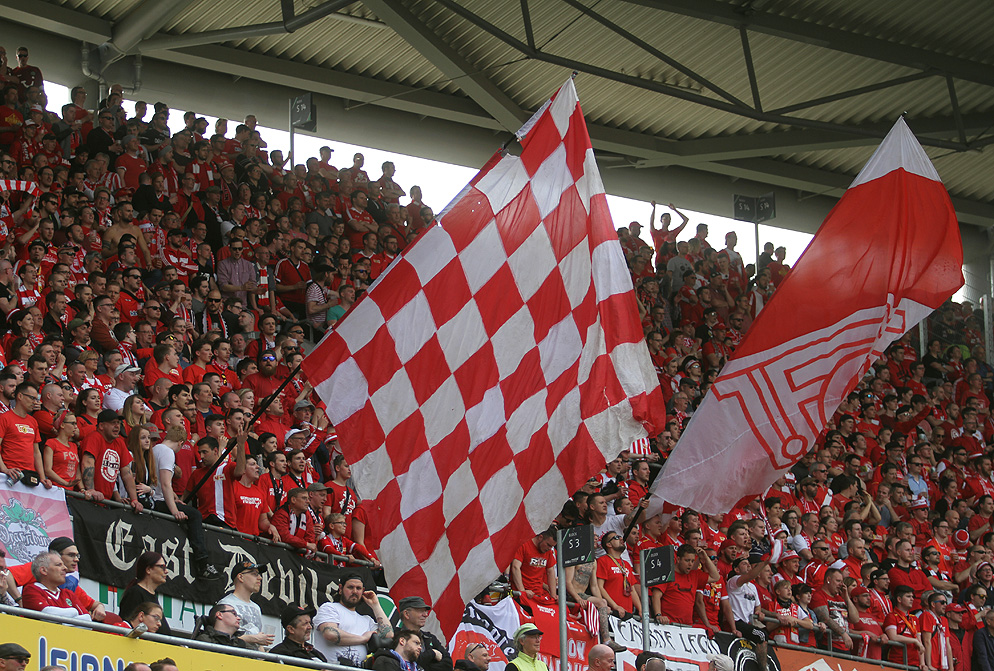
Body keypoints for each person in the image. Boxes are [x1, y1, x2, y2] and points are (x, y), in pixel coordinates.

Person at [313, 573, 392, 665]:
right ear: (340, 589)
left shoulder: (367, 620)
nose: (354, 591)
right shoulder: (329, 608)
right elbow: (330, 634)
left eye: (358, 588)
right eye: (350, 587)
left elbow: (388, 635)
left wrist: (375, 605)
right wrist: (363, 638)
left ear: (363, 591)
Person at [217, 561, 273, 650]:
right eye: (254, 574)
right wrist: (253, 639)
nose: (260, 578)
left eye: (259, 574)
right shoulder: (226, 604)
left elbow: (258, 642)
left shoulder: (256, 607)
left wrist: (263, 656)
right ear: (240, 577)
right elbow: (222, 639)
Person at [21, 551, 91, 620]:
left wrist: (64, 621)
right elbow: (46, 615)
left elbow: (87, 619)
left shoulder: (69, 594)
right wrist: (73, 612)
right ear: (44, 570)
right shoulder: (31, 590)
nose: (65, 568)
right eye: (59, 565)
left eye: (63, 565)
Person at [118, 551, 172, 636]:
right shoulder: (135, 593)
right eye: (162, 567)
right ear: (148, 570)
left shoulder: (152, 595)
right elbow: (128, 626)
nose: (166, 571)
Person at [395, 596, 452, 671]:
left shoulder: (430, 638)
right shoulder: (395, 636)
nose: (425, 615)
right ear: (406, 614)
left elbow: (448, 665)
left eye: (425, 611)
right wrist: (432, 654)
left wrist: (424, 665)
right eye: (421, 611)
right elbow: (406, 660)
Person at [511, 529, 557, 602]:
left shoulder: (549, 552)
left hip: (538, 594)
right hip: (521, 594)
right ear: (540, 537)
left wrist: (553, 594)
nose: (549, 548)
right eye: (548, 545)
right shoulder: (524, 545)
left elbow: (550, 571)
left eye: (552, 546)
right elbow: (515, 567)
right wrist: (522, 591)